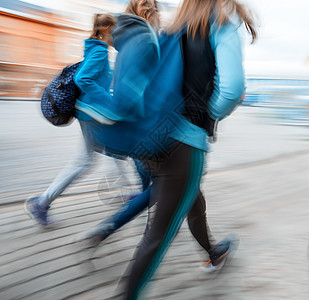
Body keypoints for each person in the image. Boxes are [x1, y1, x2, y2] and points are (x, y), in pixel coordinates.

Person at [97, 0, 256, 298]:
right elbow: (232, 88)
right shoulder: (220, 24)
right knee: (157, 236)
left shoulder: (171, 32)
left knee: (192, 197)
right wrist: (210, 113)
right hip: (184, 143)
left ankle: (213, 252)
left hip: (151, 141)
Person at [24, 14, 148, 226]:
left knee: (110, 151)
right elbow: (83, 79)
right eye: (116, 31)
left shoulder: (95, 49)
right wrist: (107, 99)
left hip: (90, 113)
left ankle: (128, 193)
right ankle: (42, 203)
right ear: (108, 29)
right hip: (92, 114)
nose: (118, 36)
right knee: (87, 160)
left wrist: (107, 93)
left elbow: (93, 80)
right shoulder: (99, 51)